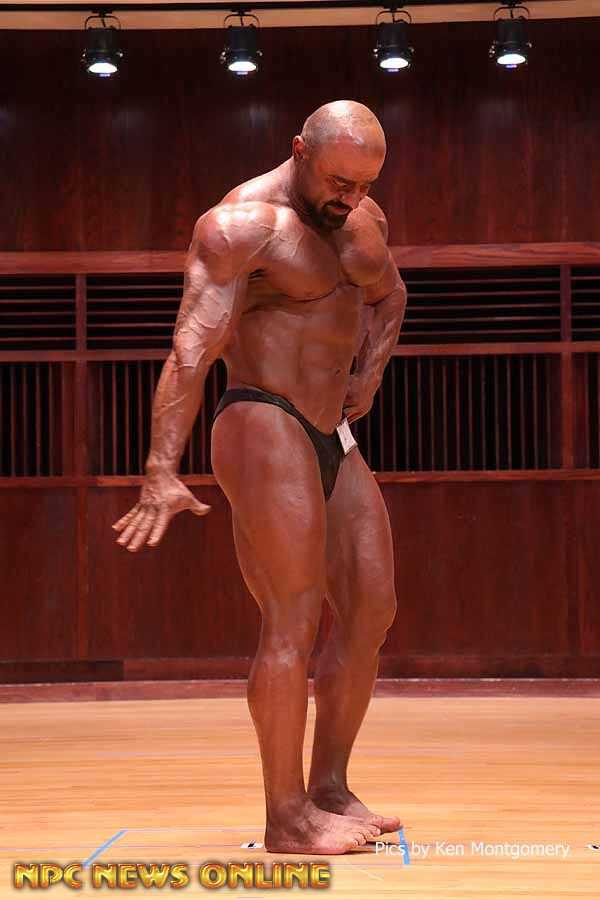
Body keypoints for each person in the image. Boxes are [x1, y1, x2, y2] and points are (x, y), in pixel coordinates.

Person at [113, 100, 407, 855]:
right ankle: (286, 816)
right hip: (261, 415)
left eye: (364, 185)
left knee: (372, 610)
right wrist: (159, 468)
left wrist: (369, 375)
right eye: (339, 182)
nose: (351, 199)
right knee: (292, 619)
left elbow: (391, 295)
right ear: (300, 150)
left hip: (332, 428)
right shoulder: (242, 226)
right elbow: (191, 348)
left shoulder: (363, 221)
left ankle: (330, 788)